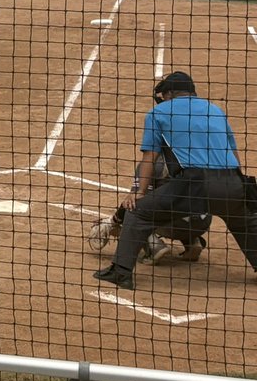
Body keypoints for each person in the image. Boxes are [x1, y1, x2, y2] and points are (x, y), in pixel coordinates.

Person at [93, 71, 257, 290]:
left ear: (169, 93)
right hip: (233, 182)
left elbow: (149, 157)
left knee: (137, 212)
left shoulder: (158, 113)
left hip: (194, 184)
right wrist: (238, 186)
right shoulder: (216, 111)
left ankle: (121, 272)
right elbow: (234, 155)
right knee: (244, 224)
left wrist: (139, 192)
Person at [87, 156, 212, 264]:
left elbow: (135, 202)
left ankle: (154, 247)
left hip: (175, 224)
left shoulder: (150, 164)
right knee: (182, 200)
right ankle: (192, 242)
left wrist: (112, 221)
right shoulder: (195, 157)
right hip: (203, 223)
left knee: (136, 212)